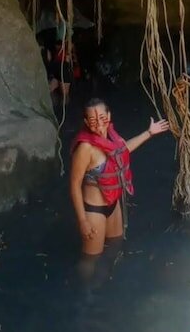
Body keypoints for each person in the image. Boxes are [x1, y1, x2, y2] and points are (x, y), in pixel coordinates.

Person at [69, 97, 170, 256]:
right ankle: (88, 281)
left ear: (109, 116)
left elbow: (123, 151)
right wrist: (83, 221)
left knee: (116, 244)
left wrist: (149, 133)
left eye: (102, 118)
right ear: (87, 122)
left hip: (113, 204)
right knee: (91, 259)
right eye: (93, 120)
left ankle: (110, 277)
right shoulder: (85, 148)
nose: (100, 124)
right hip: (94, 210)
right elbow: (75, 184)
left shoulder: (111, 135)